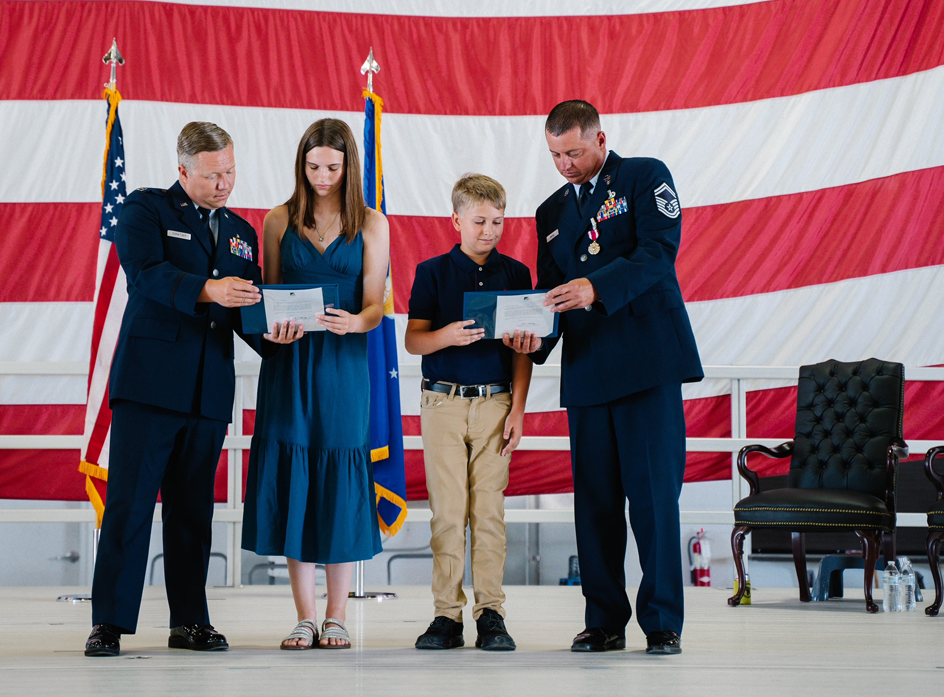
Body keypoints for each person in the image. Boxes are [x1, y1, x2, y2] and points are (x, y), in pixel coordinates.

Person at [85, 122, 303, 657]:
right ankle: (110, 623)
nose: (224, 183)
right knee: (130, 508)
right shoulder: (145, 209)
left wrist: (275, 336)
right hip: (149, 387)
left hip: (208, 392)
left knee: (192, 515)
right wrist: (208, 289)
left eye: (230, 171)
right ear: (183, 170)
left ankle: (190, 621)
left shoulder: (240, 232)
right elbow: (146, 276)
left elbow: (244, 308)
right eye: (212, 175)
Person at [505, 100, 703, 656]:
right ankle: (604, 620)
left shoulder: (644, 175)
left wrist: (597, 287)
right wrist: (532, 340)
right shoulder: (549, 213)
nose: (564, 164)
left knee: (654, 502)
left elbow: (658, 253)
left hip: (647, 364)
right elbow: (551, 296)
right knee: (594, 505)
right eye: (554, 155)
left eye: (572, 152)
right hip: (589, 371)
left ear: (599, 138)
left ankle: (663, 621)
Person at [241, 118, 391, 651]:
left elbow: (375, 303)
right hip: (290, 362)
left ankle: (337, 616)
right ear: (300, 165)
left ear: (349, 166)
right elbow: (270, 294)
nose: (322, 176)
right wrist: (273, 328)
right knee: (295, 474)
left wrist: (357, 321)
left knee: (340, 476)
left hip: (344, 363)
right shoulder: (277, 219)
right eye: (312, 166)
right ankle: (303, 615)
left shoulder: (372, 223)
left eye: (332, 166)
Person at [404, 174, 534, 652]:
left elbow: (523, 351)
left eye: (497, 221)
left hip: (496, 402)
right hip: (442, 402)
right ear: (455, 218)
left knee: (489, 512)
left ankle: (491, 613)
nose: (489, 231)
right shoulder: (433, 271)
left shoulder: (517, 274)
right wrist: (447, 336)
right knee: (447, 511)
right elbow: (413, 339)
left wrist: (518, 409)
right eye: (479, 221)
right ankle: (445, 615)